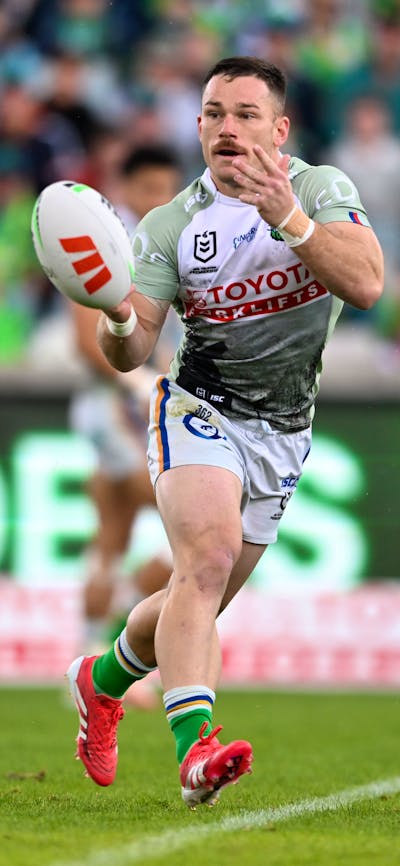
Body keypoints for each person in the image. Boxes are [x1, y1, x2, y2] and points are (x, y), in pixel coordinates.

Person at [66, 56, 384, 807]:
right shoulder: (171, 224)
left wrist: (289, 219)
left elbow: (367, 284)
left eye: (245, 114)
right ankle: (196, 752)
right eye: (213, 113)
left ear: (279, 129)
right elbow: (132, 348)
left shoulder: (321, 190)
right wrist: (115, 313)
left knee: (193, 597)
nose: (227, 128)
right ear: (198, 126)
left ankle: (101, 679)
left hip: (284, 428)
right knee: (203, 563)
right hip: (197, 409)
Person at [68, 145, 182, 707]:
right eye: (149, 189)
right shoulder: (107, 242)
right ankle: (125, 655)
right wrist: (139, 385)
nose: (159, 200)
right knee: (175, 517)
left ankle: (92, 657)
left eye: (167, 189)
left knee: (112, 533)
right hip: (114, 407)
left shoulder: (176, 240)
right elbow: (83, 338)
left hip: (153, 406)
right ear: (129, 189)